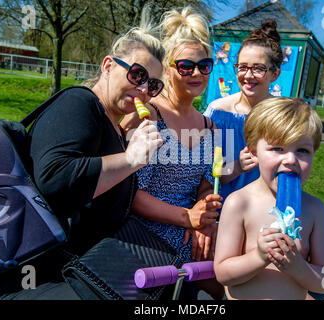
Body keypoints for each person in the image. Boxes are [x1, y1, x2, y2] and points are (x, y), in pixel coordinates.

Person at [0, 19, 166, 301]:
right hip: (36, 275)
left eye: (153, 85)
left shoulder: (115, 128)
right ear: (108, 66)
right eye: (137, 75)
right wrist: (130, 159)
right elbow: (55, 180)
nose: (143, 89)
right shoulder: (79, 103)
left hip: (83, 269)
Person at [121, 7, 223, 299]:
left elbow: (206, 184)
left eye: (204, 65)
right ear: (166, 68)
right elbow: (131, 193)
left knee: (246, 258)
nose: (196, 73)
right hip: (149, 231)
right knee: (231, 277)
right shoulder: (147, 116)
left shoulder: (210, 126)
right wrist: (187, 218)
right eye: (185, 66)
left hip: (191, 225)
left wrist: (205, 217)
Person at [214, 97, 324, 300]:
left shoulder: (315, 210)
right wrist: (259, 256)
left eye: (302, 151)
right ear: (253, 152)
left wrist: (298, 267)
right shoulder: (240, 203)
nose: (290, 159)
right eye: (277, 148)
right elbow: (223, 274)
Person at [203, 19, 282, 202]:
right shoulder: (217, 113)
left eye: (258, 69)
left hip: (265, 212)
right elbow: (201, 176)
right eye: (243, 67)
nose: (248, 75)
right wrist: (237, 166)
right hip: (221, 213)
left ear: (275, 74)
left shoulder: (282, 117)